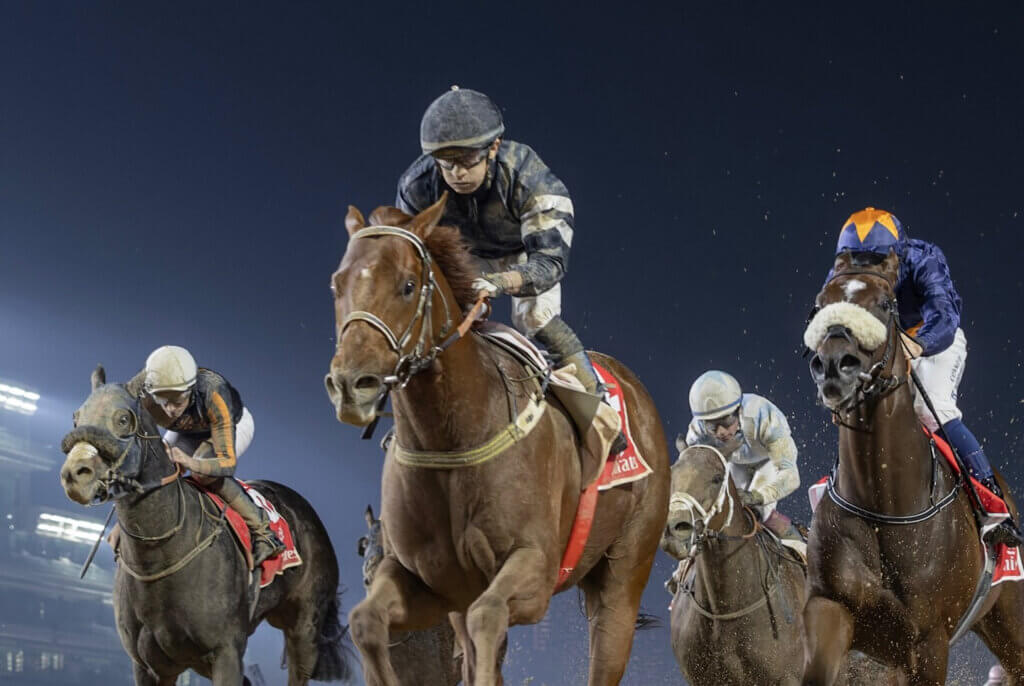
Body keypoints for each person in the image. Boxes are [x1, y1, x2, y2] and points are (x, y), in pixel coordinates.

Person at [396, 85, 625, 454]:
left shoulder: (532, 180)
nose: (456, 172)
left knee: (537, 318)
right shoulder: (415, 186)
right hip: (463, 255)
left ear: (494, 147)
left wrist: (501, 282)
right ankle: (408, 415)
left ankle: (598, 411)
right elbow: (410, 259)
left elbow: (550, 263)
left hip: (526, 253)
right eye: (445, 161)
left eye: (467, 159)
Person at [829, 207, 1021, 547]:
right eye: (857, 260)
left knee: (931, 411)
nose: (865, 268)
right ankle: (841, 492)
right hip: (882, 343)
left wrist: (918, 345)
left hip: (934, 339)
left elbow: (945, 314)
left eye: (874, 260)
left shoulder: (924, 258)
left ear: (896, 254)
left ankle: (991, 499)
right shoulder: (845, 269)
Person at [126, 345, 285, 566]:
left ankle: (265, 533)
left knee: (203, 473)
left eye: (177, 402)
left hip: (231, 426)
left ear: (191, 390)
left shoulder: (214, 391)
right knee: (156, 467)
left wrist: (189, 462)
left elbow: (227, 463)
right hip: (185, 430)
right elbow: (115, 404)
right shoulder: (142, 384)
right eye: (164, 401)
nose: (171, 410)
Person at [681, 370, 802, 540]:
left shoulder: (763, 415)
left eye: (726, 421)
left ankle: (799, 547)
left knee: (759, 511)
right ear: (702, 423)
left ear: (739, 410)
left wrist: (757, 496)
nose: (721, 432)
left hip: (767, 462)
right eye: (713, 426)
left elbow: (791, 475)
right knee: (728, 511)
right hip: (734, 464)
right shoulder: (697, 433)